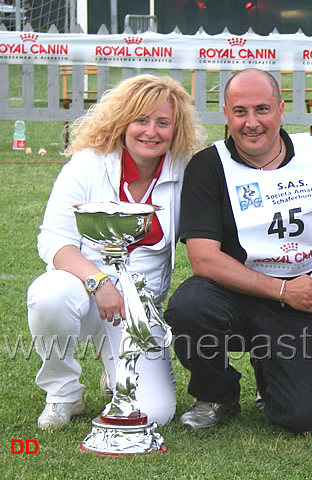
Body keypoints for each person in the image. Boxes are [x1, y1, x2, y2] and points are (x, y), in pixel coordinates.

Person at [27, 74, 206, 429]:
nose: (151, 132)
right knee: (49, 295)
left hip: (139, 309)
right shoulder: (88, 163)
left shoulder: (185, 172)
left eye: (162, 123)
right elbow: (53, 240)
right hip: (84, 293)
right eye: (141, 120)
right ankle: (64, 393)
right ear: (123, 121)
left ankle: (116, 370)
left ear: (176, 128)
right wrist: (98, 281)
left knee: (154, 413)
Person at [165, 68, 312, 434]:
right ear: (226, 113)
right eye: (240, 111)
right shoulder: (208, 166)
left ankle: (269, 372)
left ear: (281, 109)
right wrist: (281, 290)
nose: (252, 122)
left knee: (305, 419)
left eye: (262, 109)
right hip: (232, 295)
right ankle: (218, 394)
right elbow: (203, 258)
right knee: (190, 306)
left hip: (301, 300)